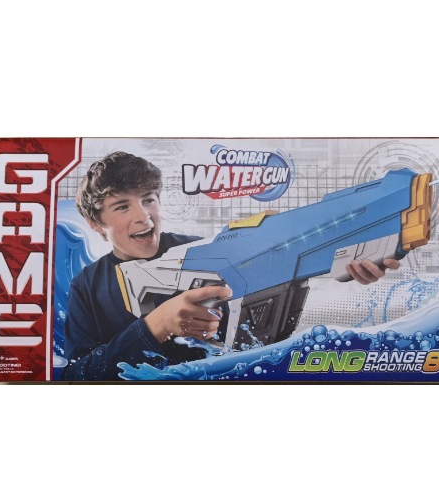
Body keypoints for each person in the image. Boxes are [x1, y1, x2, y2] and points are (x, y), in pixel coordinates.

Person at [61, 150, 400, 381]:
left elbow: (274, 289)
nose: (143, 216)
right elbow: (77, 376)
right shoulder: (86, 286)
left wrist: (340, 263)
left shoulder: (204, 250)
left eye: (148, 199)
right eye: (122, 206)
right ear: (95, 223)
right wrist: (155, 327)